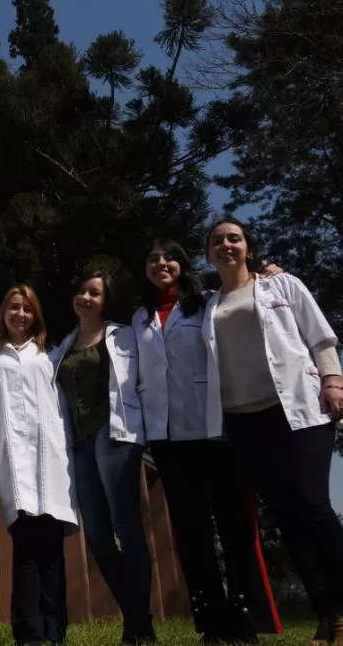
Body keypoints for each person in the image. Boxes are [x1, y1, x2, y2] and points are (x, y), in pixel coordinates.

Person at [133, 238, 281, 643]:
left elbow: (248, 302)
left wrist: (269, 273)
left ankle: (244, 618)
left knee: (234, 526)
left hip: (216, 429)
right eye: (152, 259)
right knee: (191, 530)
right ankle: (211, 621)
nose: (160, 263)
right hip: (167, 438)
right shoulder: (139, 317)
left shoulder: (209, 304)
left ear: (181, 265)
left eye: (168, 258)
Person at [203, 218, 343, 645]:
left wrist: (334, 381)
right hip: (244, 421)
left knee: (313, 503)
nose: (226, 245)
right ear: (209, 254)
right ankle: (328, 617)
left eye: (234, 238)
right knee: (287, 518)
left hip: (298, 410)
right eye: (217, 241)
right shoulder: (207, 304)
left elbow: (320, 338)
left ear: (248, 247)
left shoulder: (282, 286)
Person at [53, 271, 153, 645]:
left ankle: (138, 624)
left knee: (126, 528)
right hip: (79, 444)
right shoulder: (64, 345)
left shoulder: (125, 334)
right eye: (82, 291)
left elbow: (151, 371)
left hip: (114, 435)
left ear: (106, 300)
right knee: (95, 535)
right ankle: (136, 616)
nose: (86, 298)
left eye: (95, 293)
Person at [0, 285, 77, 645]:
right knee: (25, 551)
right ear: (3, 312)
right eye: (13, 307)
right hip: (14, 463)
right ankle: (29, 634)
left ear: (35, 315)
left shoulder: (49, 355)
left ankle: (55, 632)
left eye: (26, 309)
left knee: (52, 553)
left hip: (49, 461)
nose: (19, 314)